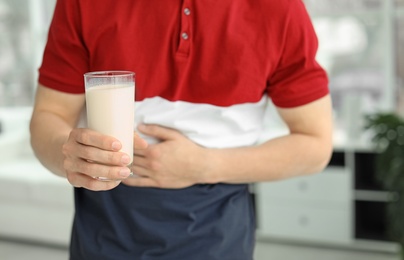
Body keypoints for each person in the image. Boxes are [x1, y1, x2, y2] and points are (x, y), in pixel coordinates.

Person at [29, 0, 333, 259]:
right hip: (103, 232)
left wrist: (205, 165)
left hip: (218, 236)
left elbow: (315, 145)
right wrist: (68, 155)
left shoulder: (279, 8)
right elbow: (49, 115)